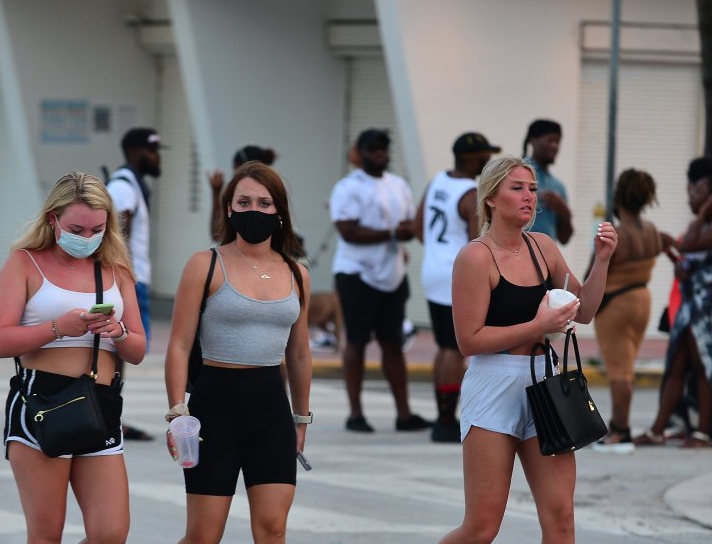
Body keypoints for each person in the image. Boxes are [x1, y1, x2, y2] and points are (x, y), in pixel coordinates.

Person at [439, 157, 616, 543]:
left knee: (561, 519)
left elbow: (583, 311)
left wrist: (601, 261)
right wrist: (538, 327)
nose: (528, 197)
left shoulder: (543, 247)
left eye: (532, 189)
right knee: (482, 527)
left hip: (546, 384)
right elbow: (468, 340)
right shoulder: (475, 257)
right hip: (493, 385)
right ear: (490, 198)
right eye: (517, 188)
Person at [0, 171, 146, 543]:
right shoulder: (24, 263)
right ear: (53, 219)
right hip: (44, 400)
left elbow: (137, 349)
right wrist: (58, 328)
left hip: (100, 401)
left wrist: (118, 331)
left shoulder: (115, 270)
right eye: (78, 228)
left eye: (98, 230)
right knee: (46, 533)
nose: (87, 238)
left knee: (111, 532)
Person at [163, 161, 312, 543]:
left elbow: (298, 353)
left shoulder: (297, 273)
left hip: (271, 411)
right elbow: (179, 344)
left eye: (264, 203)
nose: (254, 211)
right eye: (244, 201)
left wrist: (301, 418)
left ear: (279, 211)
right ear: (229, 208)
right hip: (214, 410)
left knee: (272, 529)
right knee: (203, 536)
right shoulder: (205, 264)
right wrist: (178, 412)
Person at [634, 167, 712, 449]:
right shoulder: (707, 226)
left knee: (703, 367)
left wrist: (698, 219)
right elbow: (686, 266)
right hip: (689, 305)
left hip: (708, 308)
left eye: (698, 192)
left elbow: (691, 247)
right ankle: (659, 429)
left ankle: (704, 433)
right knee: (677, 366)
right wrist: (669, 250)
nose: (691, 195)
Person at [329, 128, 430, 433]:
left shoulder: (398, 185)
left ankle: (404, 414)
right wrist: (390, 234)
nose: (380, 155)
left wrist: (408, 231)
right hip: (356, 273)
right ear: (360, 153)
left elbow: (410, 224)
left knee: (393, 344)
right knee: (357, 342)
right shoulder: (347, 187)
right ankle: (355, 414)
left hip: (392, 274)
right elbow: (347, 231)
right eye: (374, 149)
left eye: (384, 149)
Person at [413, 132, 500, 443]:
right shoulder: (469, 193)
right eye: (484, 156)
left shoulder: (438, 181)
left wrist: (438, 252)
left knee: (444, 346)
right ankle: (446, 420)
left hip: (432, 269)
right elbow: (479, 240)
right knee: (453, 348)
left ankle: (443, 415)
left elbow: (417, 223)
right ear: (469, 159)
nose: (487, 161)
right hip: (454, 272)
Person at [590, 168, 671, 453]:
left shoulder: (615, 234)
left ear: (618, 196)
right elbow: (668, 244)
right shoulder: (650, 231)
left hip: (616, 305)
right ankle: (618, 426)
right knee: (627, 367)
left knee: (618, 370)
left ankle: (620, 430)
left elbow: (593, 272)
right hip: (642, 299)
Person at [106, 127, 163, 441]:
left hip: (134, 279)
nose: (157, 158)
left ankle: (110, 413)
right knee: (118, 348)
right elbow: (117, 234)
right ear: (138, 151)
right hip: (129, 280)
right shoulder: (124, 186)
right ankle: (107, 414)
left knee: (122, 350)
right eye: (153, 151)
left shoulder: (132, 185)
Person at [207, 145, 278, 239]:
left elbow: (217, 233)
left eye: (264, 203)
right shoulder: (275, 190)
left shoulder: (238, 195)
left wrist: (216, 193)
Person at [522, 119, 573, 244]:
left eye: (557, 141)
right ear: (533, 140)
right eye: (550, 140)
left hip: (546, 259)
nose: (555, 146)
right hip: (516, 256)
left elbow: (564, 239)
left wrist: (564, 212)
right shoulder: (516, 175)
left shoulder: (558, 186)